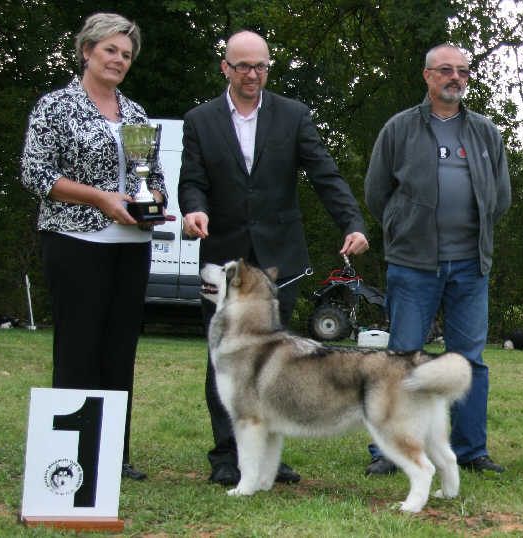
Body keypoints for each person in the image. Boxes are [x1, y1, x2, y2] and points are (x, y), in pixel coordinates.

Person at [178, 30, 370, 487]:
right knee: (224, 361)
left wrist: (353, 222)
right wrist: (194, 208)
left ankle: (269, 458)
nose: (252, 74)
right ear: (225, 66)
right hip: (225, 261)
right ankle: (227, 455)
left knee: (278, 365)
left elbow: (325, 172)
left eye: (260, 66)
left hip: (278, 261)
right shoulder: (200, 120)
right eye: (242, 66)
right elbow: (192, 179)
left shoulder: (293, 115)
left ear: (269, 67)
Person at [20, 12, 162, 481]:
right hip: (73, 240)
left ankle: (112, 457)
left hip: (131, 244)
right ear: (86, 51)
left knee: (119, 351)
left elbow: (153, 177)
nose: (119, 60)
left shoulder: (137, 114)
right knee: (79, 348)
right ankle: (71, 455)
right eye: (110, 51)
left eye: (126, 54)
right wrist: (100, 198)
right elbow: (35, 174)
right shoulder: (55, 107)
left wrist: (155, 202)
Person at [362, 44, 511, 476]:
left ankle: (471, 451)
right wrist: (400, 225)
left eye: (462, 71)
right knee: (401, 359)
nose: (455, 78)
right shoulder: (399, 129)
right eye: (446, 70)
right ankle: (389, 450)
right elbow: (377, 192)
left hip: (470, 266)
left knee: (469, 361)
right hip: (413, 264)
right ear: (427, 77)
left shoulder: (486, 133)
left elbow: (500, 197)